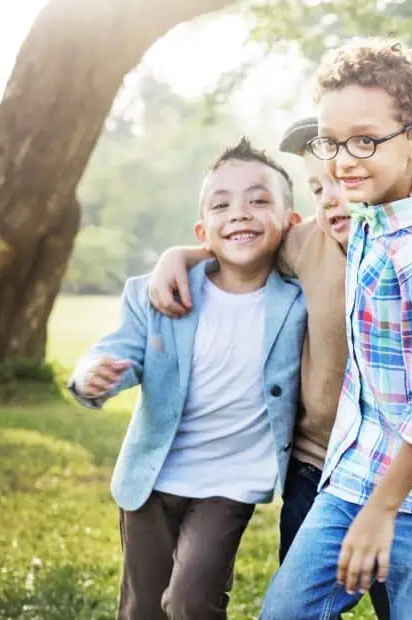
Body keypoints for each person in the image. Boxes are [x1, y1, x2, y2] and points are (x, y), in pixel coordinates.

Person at [255, 37, 412, 620]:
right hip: (354, 475)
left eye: (365, 140)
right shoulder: (368, 221)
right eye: (331, 142)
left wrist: (381, 510)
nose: (342, 161)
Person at [68, 139, 307, 620]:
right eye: (221, 205)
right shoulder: (157, 292)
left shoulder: (301, 300)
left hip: (231, 481)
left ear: (292, 223)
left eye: (259, 201)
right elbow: (120, 350)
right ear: (204, 231)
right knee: (143, 609)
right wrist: (91, 377)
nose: (239, 213)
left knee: (190, 600)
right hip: (154, 476)